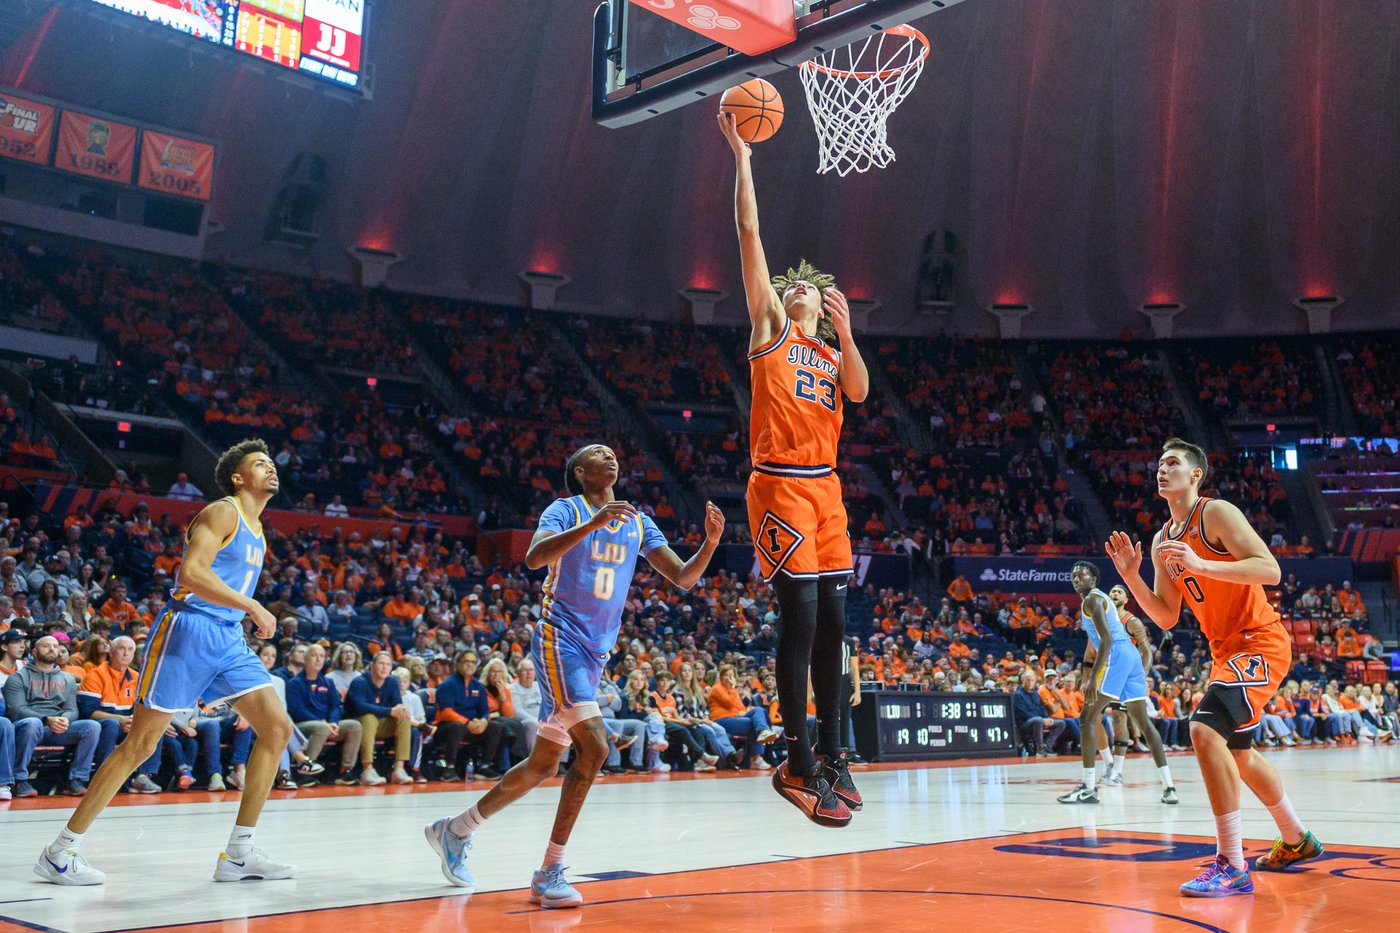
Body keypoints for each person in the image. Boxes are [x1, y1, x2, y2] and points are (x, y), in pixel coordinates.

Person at [424, 443, 723, 908]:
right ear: (581, 473)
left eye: (612, 453)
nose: (611, 457)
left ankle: (455, 830)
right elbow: (533, 558)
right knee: (597, 746)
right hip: (559, 639)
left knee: (543, 764)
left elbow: (683, 577)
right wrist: (592, 524)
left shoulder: (639, 520)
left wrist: (710, 542)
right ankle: (550, 871)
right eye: (598, 454)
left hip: (595, 654)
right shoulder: (566, 509)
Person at [31, 439, 296, 885]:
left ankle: (239, 853)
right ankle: (60, 851)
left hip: (228, 638)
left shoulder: (257, 527)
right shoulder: (223, 511)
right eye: (259, 464)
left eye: (271, 462)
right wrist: (252, 606)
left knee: (276, 727)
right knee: (141, 746)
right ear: (237, 477)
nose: (271, 468)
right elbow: (191, 574)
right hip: (188, 629)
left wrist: (241, 611)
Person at [720, 109, 870, 827]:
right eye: (795, 285)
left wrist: (845, 330)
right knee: (800, 619)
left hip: (827, 492)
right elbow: (750, 236)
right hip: (778, 481)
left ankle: (836, 755)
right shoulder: (770, 328)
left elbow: (862, 392)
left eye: (810, 285)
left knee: (837, 625)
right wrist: (743, 155)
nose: (801, 285)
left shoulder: (831, 353)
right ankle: (798, 759)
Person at [1106, 438, 1321, 898]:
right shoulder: (1163, 539)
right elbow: (1165, 615)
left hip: (1260, 642)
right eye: (1159, 463)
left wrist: (1203, 563)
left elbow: (1270, 570)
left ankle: (1232, 863)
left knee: (1203, 731)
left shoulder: (1216, 513)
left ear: (1195, 474)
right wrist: (1131, 578)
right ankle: (1297, 839)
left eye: (1172, 463)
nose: (1162, 469)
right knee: (1238, 754)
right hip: (1226, 654)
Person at [1055, 563, 1176, 806]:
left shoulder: (1092, 600)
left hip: (1117, 654)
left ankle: (1089, 788)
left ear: (1094, 578)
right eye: (1073, 575)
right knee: (1144, 724)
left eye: (1082, 575)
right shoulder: (1099, 599)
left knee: (1087, 718)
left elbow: (1107, 639)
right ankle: (1169, 787)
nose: (1076, 579)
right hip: (1129, 656)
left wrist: (1092, 679)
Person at [5, 634, 102, 798]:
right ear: (35, 651)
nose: (52, 649)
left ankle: (76, 780)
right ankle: (19, 780)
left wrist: (65, 719)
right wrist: (46, 719)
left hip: (58, 728)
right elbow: (16, 709)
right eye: (46, 646)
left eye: (55, 646)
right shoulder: (18, 677)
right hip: (28, 729)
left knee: (92, 726)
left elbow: (72, 709)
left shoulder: (68, 679)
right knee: (32, 723)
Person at [285, 642, 363, 784]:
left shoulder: (328, 682)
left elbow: (335, 706)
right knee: (322, 728)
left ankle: (345, 771)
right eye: (314, 655)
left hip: (327, 725)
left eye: (321, 656)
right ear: (306, 659)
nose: (318, 659)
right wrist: (324, 724)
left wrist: (333, 722)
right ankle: (304, 769)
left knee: (354, 726)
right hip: (302, 726)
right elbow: (297, 711)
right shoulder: (294, 683)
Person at [345, 651, 413, 785]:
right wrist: (390, 711)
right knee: (369, 718)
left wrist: (401, 709)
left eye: (388, 664)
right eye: (381, 663)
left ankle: (399, 770)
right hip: (358, 725)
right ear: (372, 666)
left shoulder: (392, 681)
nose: (384, 667)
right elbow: (360, 707)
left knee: (403, 718)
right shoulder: (359, 682)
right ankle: (367, 770)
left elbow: (397, 705)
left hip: (379, 725)